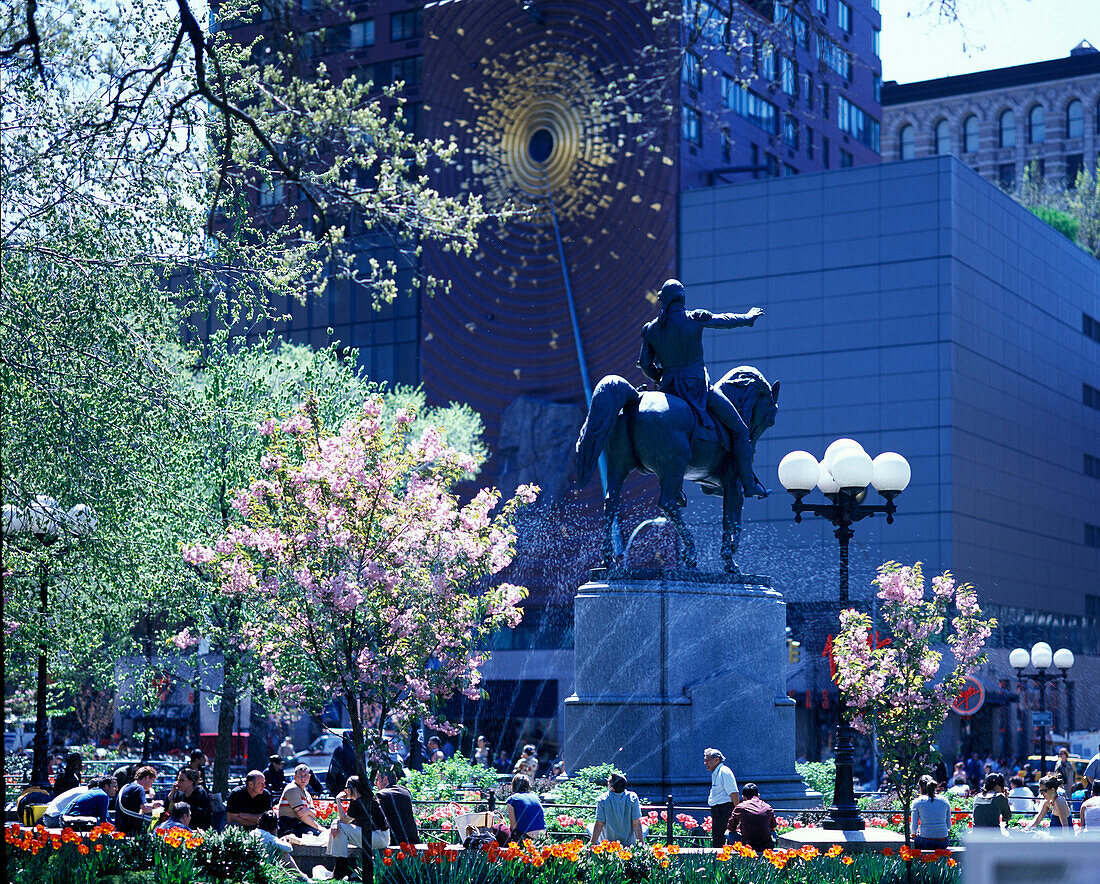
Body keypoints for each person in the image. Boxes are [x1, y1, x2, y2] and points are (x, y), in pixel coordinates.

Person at [637, 278, 767, 501]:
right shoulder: (693, 318)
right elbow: (723, 320)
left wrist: (661, 377)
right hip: (699, 389)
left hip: (668, 390)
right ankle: (748, 483)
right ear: (682, 297)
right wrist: (748, 318)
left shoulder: (651, 330)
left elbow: (645, 364)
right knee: (740, 430)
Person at [327, 775, 389, 880]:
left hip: (378, 837)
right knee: (339, 830)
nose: (345, 790)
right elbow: (344, 821)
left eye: (346, 788)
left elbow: (344, 821)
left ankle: (340, 868)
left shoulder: (359, 801)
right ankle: (340, 867)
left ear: (354, 789)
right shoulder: (361, 799)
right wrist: (335, 822)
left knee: (340, 828)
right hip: (378, 836)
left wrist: (338, 801)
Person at [252, 810, 309, 882]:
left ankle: (290, 876)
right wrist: (285, 841)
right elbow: (289, 848)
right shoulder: (268, 837)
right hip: (264, 866)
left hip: (254, 865)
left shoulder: (254, 832)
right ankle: (300, 876)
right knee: (283, 852)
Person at [590, 773, 643, 846]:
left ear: (612, 788)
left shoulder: (603, 799)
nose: (607, 783)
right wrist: (642, 845)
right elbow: (636, 823)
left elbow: (599, 824)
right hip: (628, 843)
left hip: (608, 843)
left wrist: (591, 844)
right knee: (645, 827)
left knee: (589, 826)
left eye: (608, 782)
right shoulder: (633, 797)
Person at [703, 747, 739, 849]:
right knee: (717, 839)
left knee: (721, 841)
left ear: (716, 760)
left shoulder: (724, 772)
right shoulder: (717, 773)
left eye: (707, 760)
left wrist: (737, 813)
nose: (705, 763)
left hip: (724, 811)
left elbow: (734, 793)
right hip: (718, 811)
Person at [375, 769, 420, 846]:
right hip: (413, 838)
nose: (375, 783)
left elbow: (377, 820)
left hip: (395, 840)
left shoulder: (381, 794)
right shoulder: (405, 791)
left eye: (377, 780)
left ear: (385, 779)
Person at [728, 783, 777, 853]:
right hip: (766, 845)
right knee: (773, 833)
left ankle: (732, 856)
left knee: (727, 833)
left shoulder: (741, 807)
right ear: (758, 795)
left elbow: (730, 828)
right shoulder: (768, 807)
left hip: (747, 845)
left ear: (743, 797)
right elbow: (773, 827)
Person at [279, 763, 324, 836]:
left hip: (301, 826)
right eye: (300, 776)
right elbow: (301, 815)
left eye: (305, 775)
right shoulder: (292, 789)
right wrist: (319, 828)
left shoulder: (307, 794)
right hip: (289, 827)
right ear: (294, 777)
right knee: (317, 835)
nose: (303, 778)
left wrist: (308, 811)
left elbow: (314, 815)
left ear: (309, 777)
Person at [115, 765, 162, 836]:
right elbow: (145, 808)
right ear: (146, 778)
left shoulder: (127, 786)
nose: (151, 786)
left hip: (121, 826)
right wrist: (155, 805)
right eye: (151, 782)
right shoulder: (139, 788)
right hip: (131, 830)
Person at [910, 775, 951, 850]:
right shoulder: (944, 801)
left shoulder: (917, 801)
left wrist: (914, 834)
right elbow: (948, 826)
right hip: (943, 842)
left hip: (925, 841)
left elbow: (914, 828)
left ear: (920, 787)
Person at [506, 774, 546, 842]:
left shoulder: (512, 799)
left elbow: (513, 826)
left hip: (526, 837)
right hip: (543, 834)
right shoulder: (535, 797)